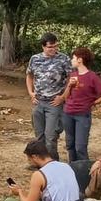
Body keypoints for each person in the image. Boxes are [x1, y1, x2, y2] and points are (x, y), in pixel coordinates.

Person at [3, 138, 81, 201]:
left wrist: (19, 192)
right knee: (36, 199)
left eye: (29, 159)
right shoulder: (66, 166)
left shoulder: (39, 175)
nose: (29, 162)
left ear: (35, 157)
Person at [26, 32, 70, 162]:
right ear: (43, 47)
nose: (54, 49)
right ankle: (40, 163)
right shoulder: (35, 59)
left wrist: (63, 97)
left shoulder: (63, 59)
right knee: (39, 136)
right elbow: (29, 75)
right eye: (50, 47)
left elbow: (70, 79)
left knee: (51, 136)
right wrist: (31, 93)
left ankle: (53, 162)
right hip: (39, 102)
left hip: (54, 103)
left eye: (56, 46)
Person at [62, 46, 101, 163]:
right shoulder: (73, 75)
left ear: (80, 60)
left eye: (73, 58)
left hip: (82, 115)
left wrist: (93, 102)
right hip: (68, 113)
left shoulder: (92, 77)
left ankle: (85, 173)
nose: (71, 60)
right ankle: (73, 170)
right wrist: (69, 86)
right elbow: (65, 97)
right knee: (70, 145)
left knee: (80, 147)